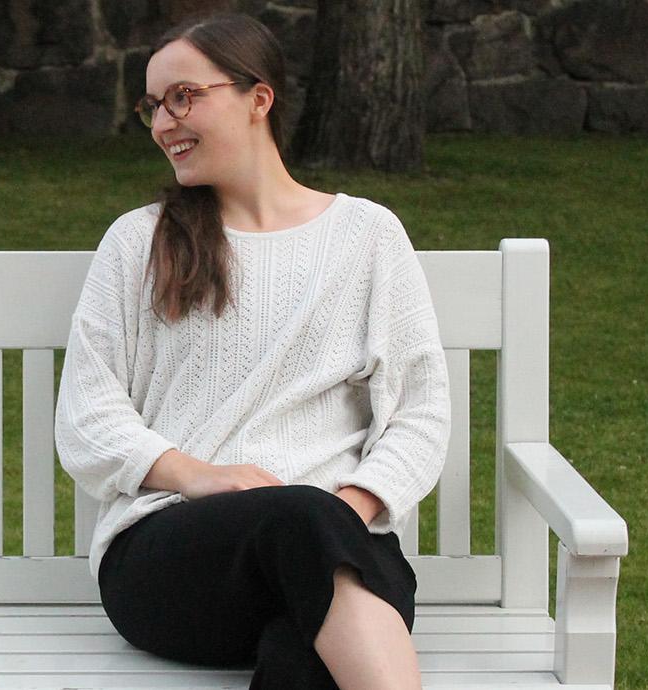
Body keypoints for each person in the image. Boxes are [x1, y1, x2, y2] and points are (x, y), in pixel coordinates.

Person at [52, 12, 450, 690]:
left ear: (258, 97)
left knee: (305, 656)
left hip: (331, 546)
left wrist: (339, 515)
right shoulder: (139, 242)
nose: (162, 124)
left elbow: (420, 413)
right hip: (172, 563)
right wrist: (202, 476)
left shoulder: (368, 236)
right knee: (314, 530)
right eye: (153, 106)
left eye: (183, 97)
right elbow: (87, 414)